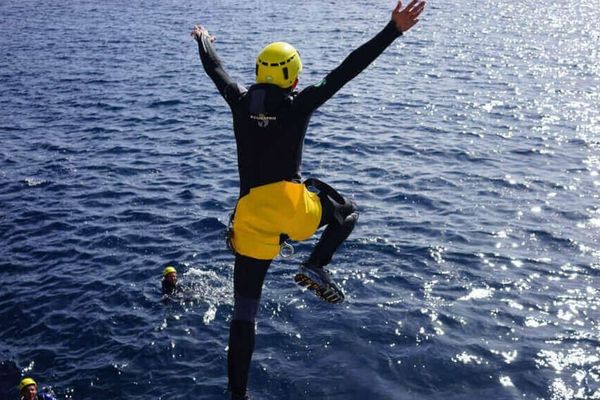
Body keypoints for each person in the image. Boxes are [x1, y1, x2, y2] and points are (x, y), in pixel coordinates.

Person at [191, 1, 425, 398]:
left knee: (244, 315)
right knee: (345, 212)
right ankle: (316, 264)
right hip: (293, 210)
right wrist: (392, 31)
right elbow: (346, 70)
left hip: (249, 218)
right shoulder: (299, 104)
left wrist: (204, 42)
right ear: (294, 79)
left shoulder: (238, 99)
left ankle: (236, 394)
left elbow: (216, 70)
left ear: (259, 73)